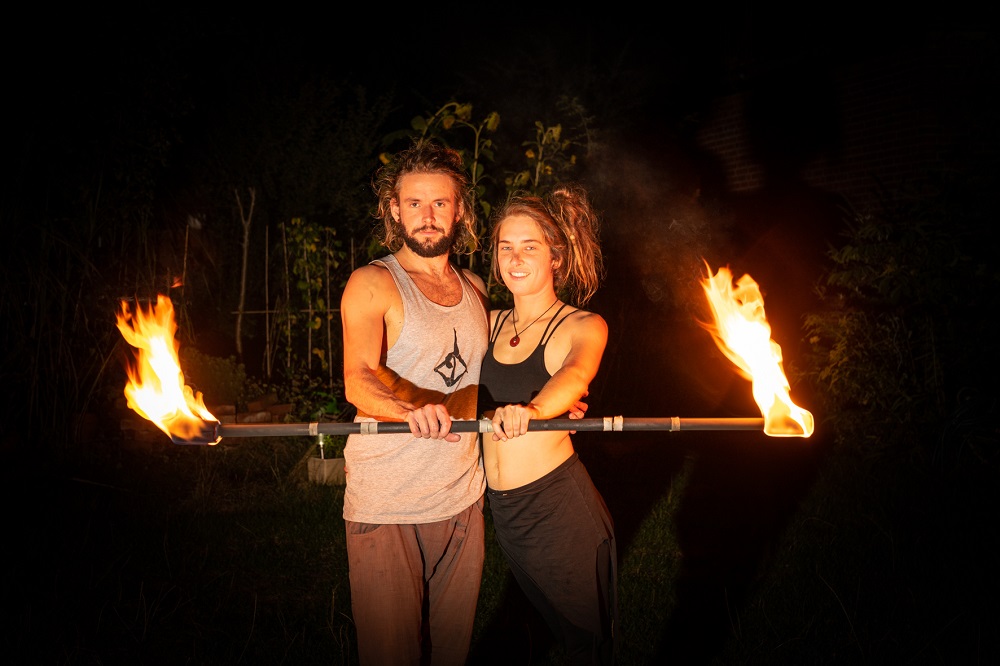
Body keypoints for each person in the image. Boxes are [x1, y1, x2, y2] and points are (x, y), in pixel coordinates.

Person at [339, 139, 490, 665]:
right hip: (390, 500)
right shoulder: (373, 282)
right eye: (415, 204)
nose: (428, 216)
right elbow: (357, 379)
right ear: (393, 210)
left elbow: (479, 381)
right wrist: (410, 412)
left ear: (460, 210)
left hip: (463, 499)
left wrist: (549, 404)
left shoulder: (474, 288)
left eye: (441, 203)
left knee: (451, 654)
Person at [477, 185, 617, 664]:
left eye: (530, 247)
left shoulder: (581, 325)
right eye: (505, 247)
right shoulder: (486, 322)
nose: (515, 258)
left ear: (555, 257)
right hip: (503, 510)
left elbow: (574, 375)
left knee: (584, 643)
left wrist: (534, 412)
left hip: (556, 505)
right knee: (545, 630)